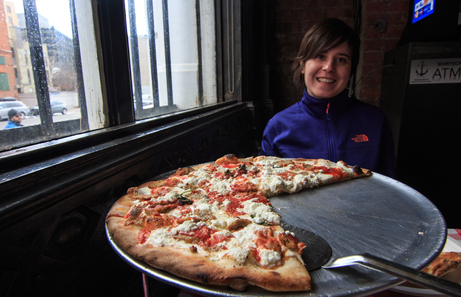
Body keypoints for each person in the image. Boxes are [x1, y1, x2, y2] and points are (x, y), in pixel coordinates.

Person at [260, 18, 396, 178]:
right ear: (303, 65)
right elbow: (268, 190)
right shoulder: (278, 127)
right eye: (320, 56)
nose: (329, 67)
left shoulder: (375, 121)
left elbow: (389, 188)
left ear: (351, 70)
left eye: (341, 60)